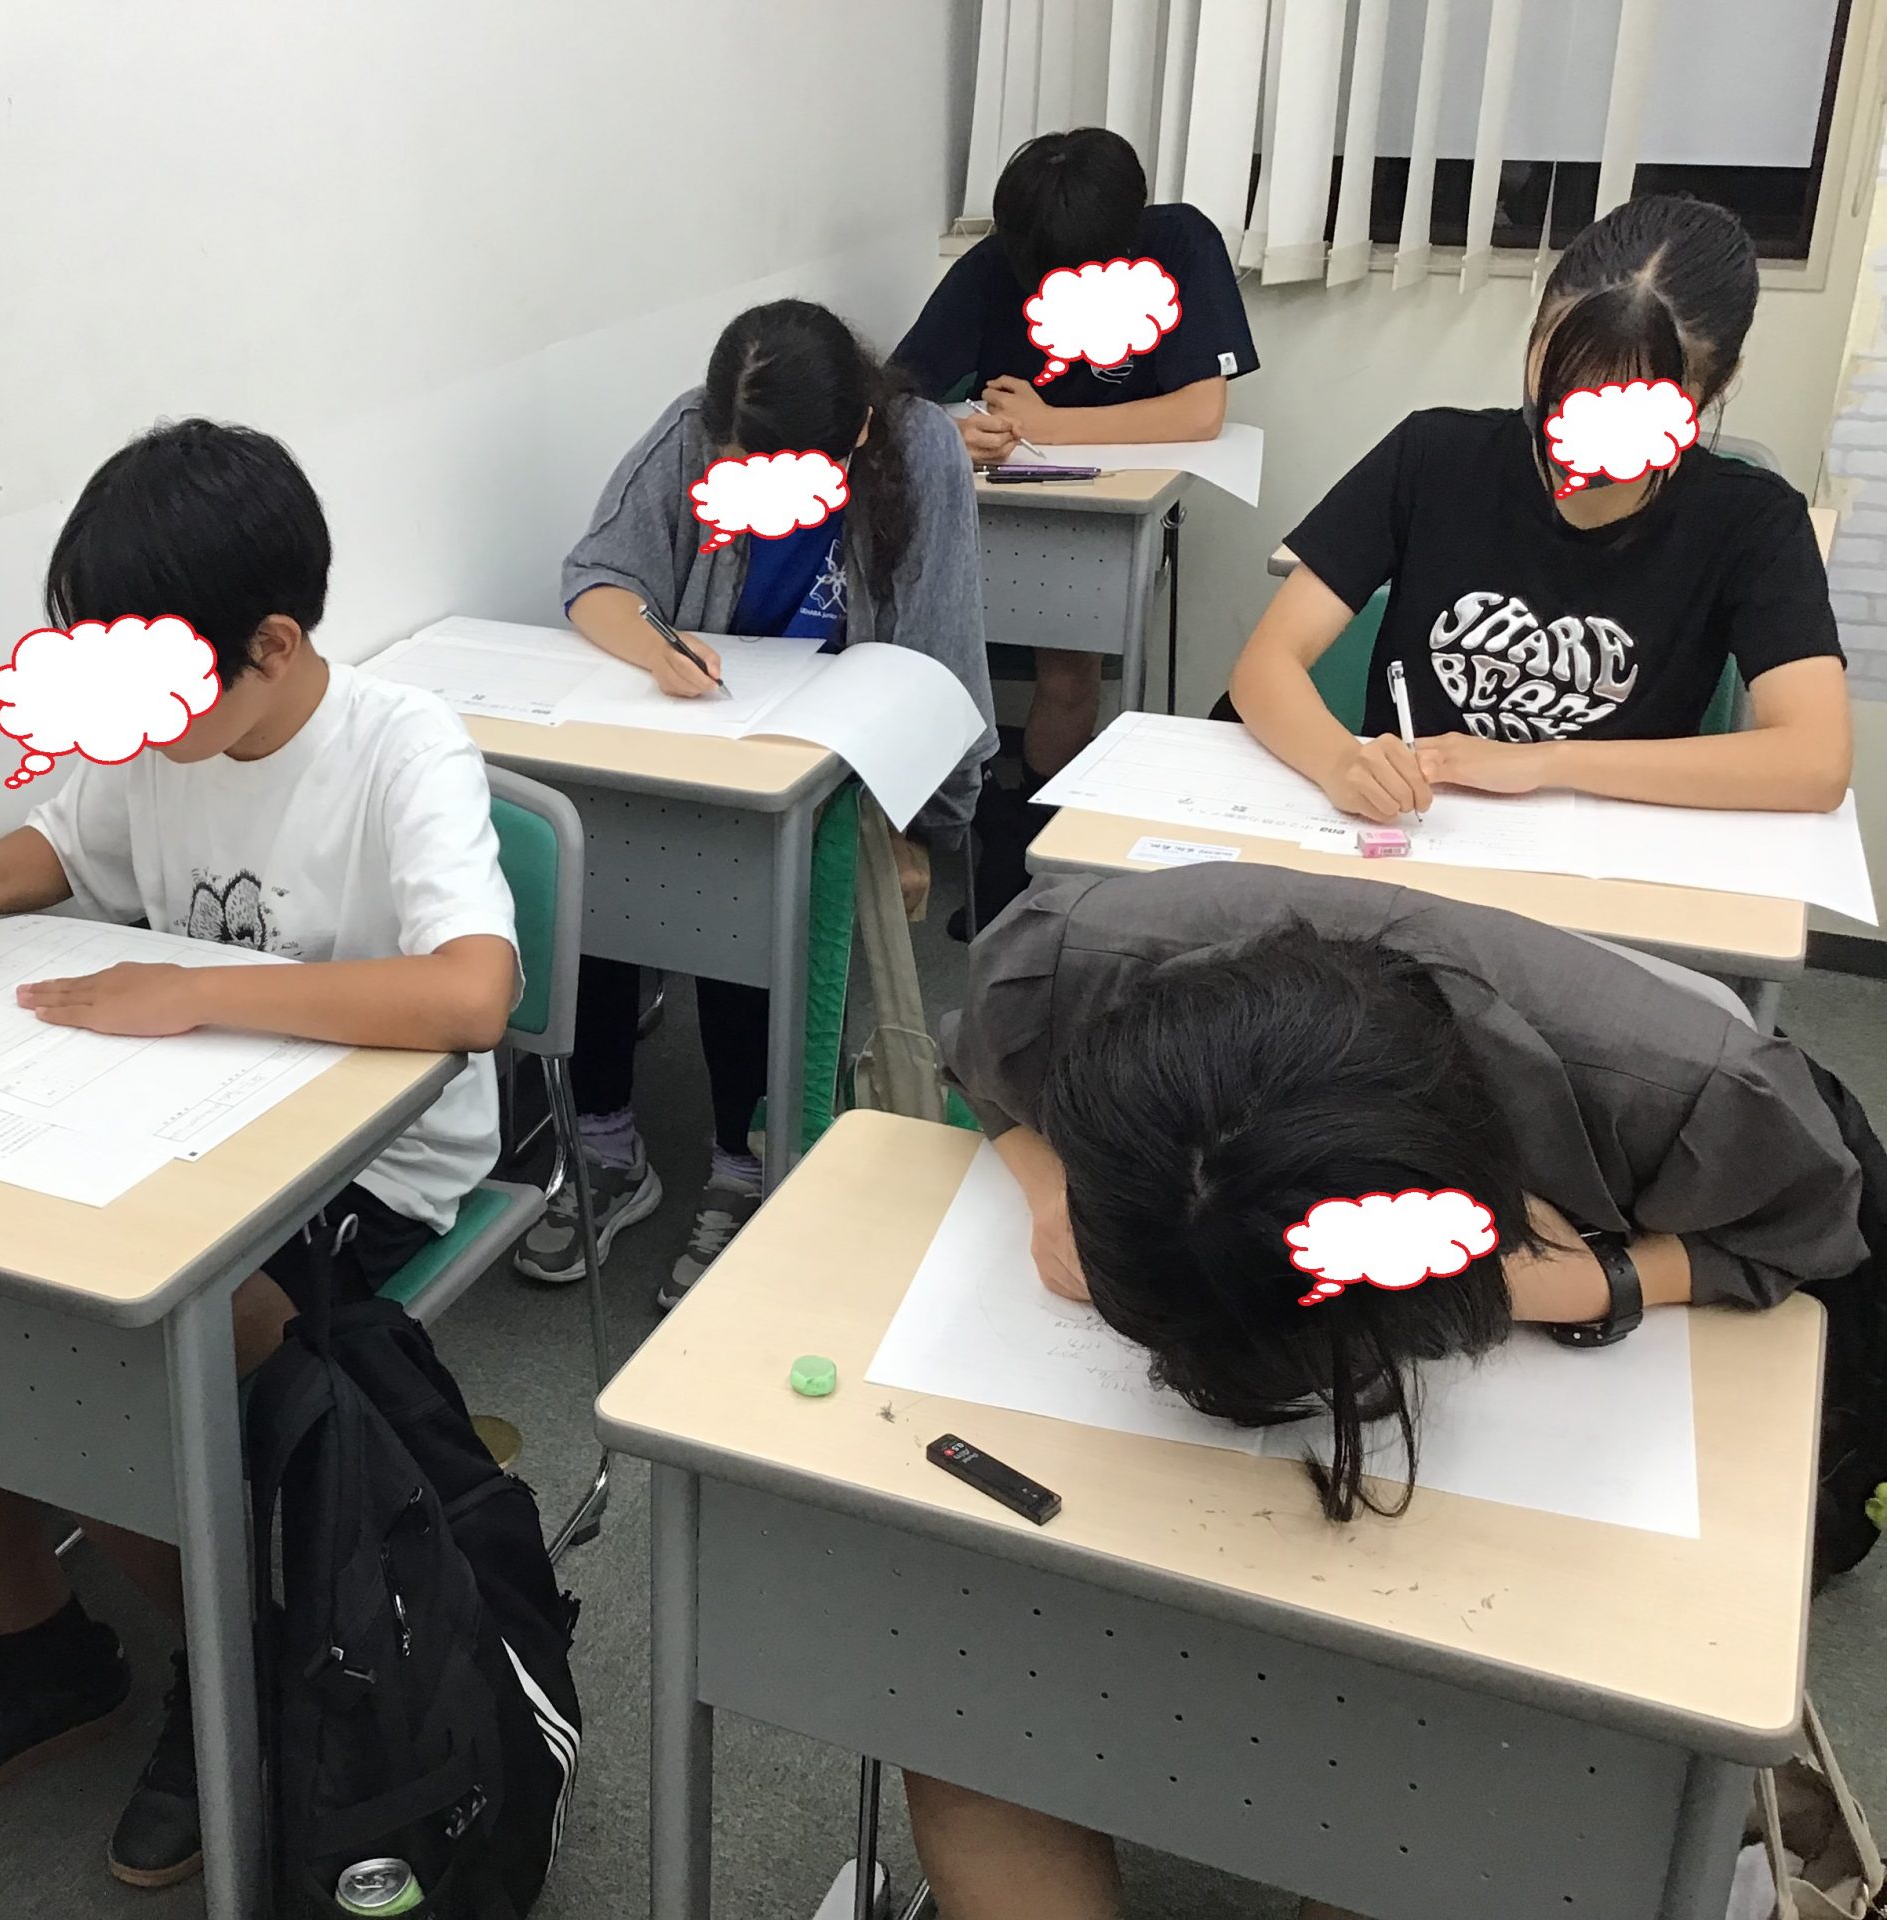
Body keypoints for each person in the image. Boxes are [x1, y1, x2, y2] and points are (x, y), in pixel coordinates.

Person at [915, 860, 1882, 1919]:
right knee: (979, 1690)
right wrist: (1047, 1180)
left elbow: (1809, 1238)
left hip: (1666, 1263)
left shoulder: (1690, 1092)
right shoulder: (1064, 961)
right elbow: (978, 1058)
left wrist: (1595, 1282)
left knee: (1483, 1737)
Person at [0, 419, 521, 1887]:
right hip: (191, 1123)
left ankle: (255, 1668)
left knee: (119, 1335)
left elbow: (473, 995)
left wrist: (201, 988)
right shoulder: (163, 744)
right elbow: (56, 848)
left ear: (272, 646)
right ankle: (42, 1650)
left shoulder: (401, 746)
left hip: (374, 1170)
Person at [514, 298, 996, 1308]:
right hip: (716, 727)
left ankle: (746, 1161)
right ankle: (605, 1146)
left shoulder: (920, 454)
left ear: (856, 431)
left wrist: (914, 827)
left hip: (837, 754)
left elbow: (939, 660)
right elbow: (597, 576)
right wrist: (658, 646)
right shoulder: (693, 431)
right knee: (597, 864)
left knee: (756, 892)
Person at [1231, 193, 1851, 822]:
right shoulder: (1434, 456)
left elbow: (1816, 762)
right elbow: (1265, 665)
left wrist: (1544, 763)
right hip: (1415, 833)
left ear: (1715, 388)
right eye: (1562, 385)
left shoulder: (1752, 521)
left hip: (1607, 853)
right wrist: (1341, 761)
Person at [893, 126, 1260, 919]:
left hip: (1102, 511)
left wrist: (1054, 426)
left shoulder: (1180, 243)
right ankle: (989, 828)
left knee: (1070, 665)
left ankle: (1038, 855)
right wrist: (948, 431)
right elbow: (896, 392)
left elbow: (1201, 410)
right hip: (997, 505)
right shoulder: (998, 261)